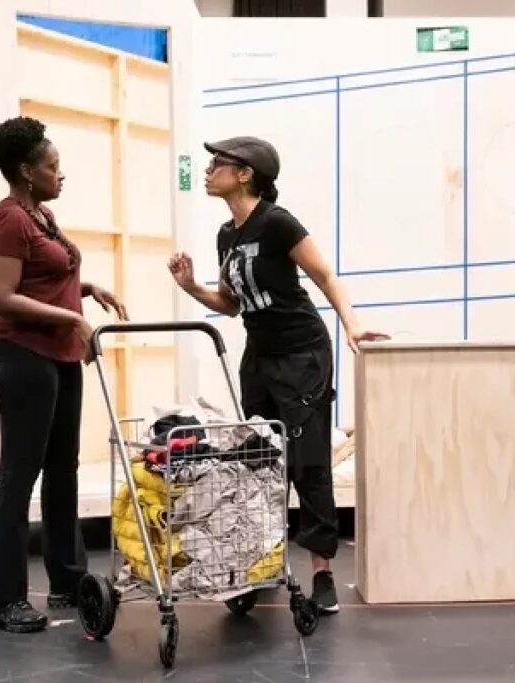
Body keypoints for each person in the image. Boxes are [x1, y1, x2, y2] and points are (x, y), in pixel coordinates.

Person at [167, 136, 389, 614]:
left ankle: (323, 573)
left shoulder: (277, 223)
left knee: (308, 464)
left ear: (245, 173)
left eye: (216, 164)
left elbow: (325, 276)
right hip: (261, 359)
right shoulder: (228, 234)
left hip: (302, 355)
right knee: (258, 464)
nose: (207, 171)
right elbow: (230, 303)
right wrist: (191, 287)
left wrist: (351, 324)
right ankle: (257, 566)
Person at [0, 116, 128, 633]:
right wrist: (71, 317)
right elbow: (0, 296)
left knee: (63, 470)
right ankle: (2, 601)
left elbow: (44, 278)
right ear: (26, 171)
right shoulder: (10, 219)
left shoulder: (39, 213)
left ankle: (68, 581)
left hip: (60, 355)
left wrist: (86, 290)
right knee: (19, 475)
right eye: (53, 166)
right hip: (21, 354)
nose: (61, 175)